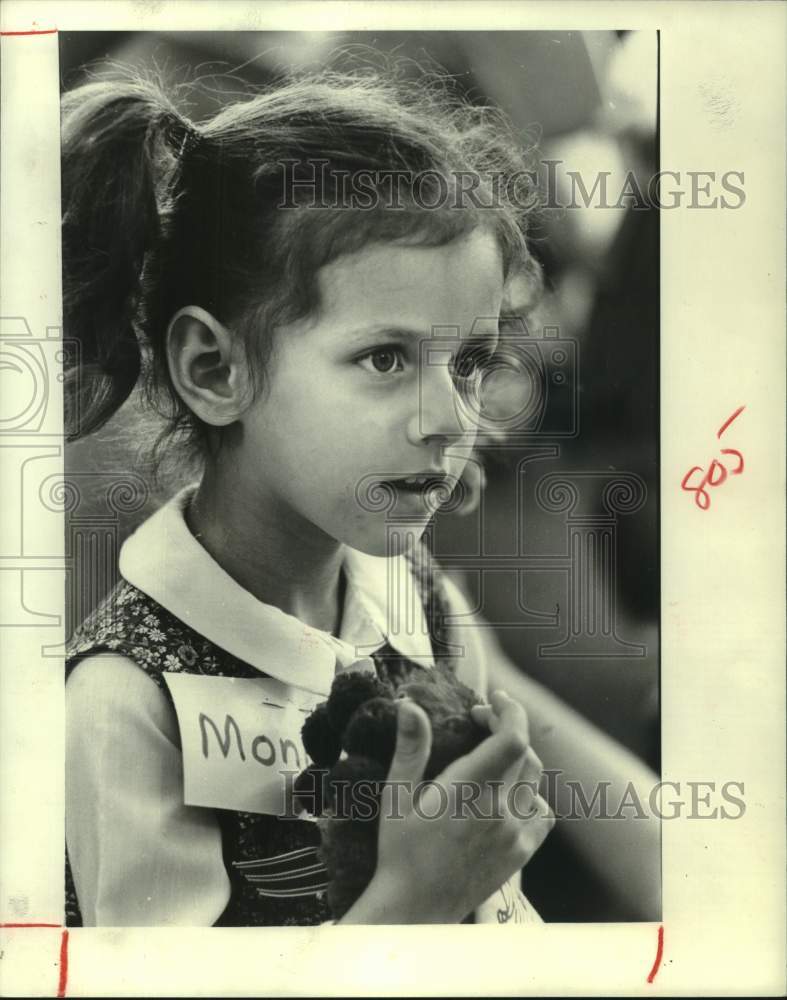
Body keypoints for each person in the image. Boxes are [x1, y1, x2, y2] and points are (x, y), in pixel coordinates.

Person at [62, 66, 656, 929]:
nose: (451, 419)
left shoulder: (422, 605)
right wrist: (418, 898)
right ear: (213, 369)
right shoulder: (131, 700)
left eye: (469, 362)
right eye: (384, 359)